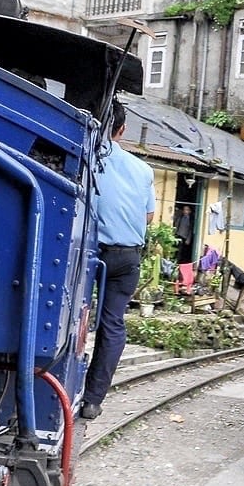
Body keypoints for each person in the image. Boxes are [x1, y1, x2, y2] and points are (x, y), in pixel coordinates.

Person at [80, 101, 155, 421]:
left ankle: (62, 386)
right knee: (112, 325)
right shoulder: (144, 169)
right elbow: (148, 216)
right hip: (128, 257)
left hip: (90, 252)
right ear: (122, 130)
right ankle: (93, 400)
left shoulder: (86, 156)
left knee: (74, 317)